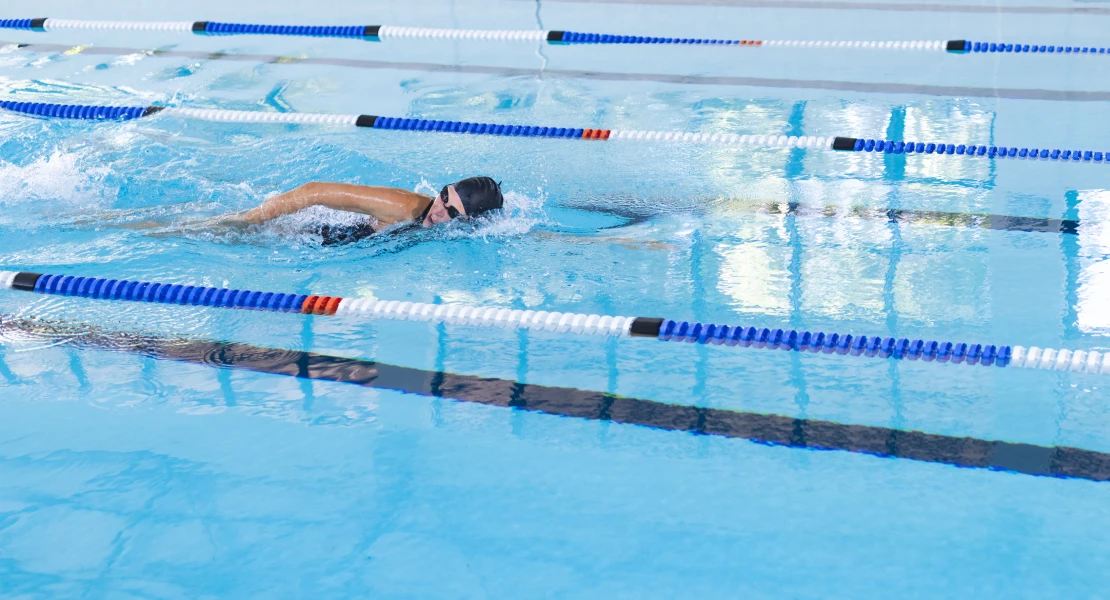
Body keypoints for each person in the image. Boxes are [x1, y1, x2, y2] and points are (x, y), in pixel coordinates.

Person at [219, 176, 504, 245]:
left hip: (331, 239)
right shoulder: (403, 207)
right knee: (215, 230)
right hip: (301, 233)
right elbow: (312, 191)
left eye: (452, 213)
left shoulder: (466, 231)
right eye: (444, 195)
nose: (440, 209)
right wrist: (250, 219)